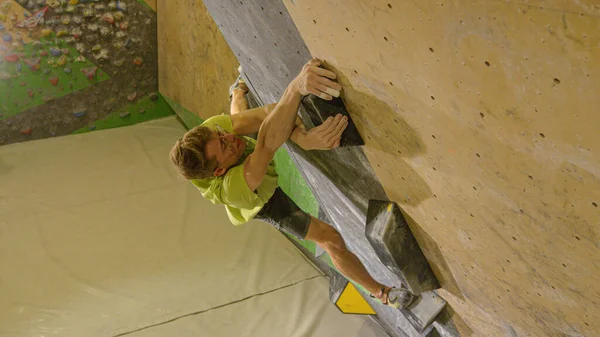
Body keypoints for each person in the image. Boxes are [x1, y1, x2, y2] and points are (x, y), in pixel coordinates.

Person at [169, 58, 414, 309]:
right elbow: (266, 142)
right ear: (220, 170)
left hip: (246, 161)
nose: (229, 138)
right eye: (224, 145)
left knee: (240, 120)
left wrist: (303, 137)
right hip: (261, 200)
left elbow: (267, 114)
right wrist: (295, 88)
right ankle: (383, 293)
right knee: (331, 239)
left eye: (221, 135)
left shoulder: (211, 132)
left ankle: (237, 90)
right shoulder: (235, 188)